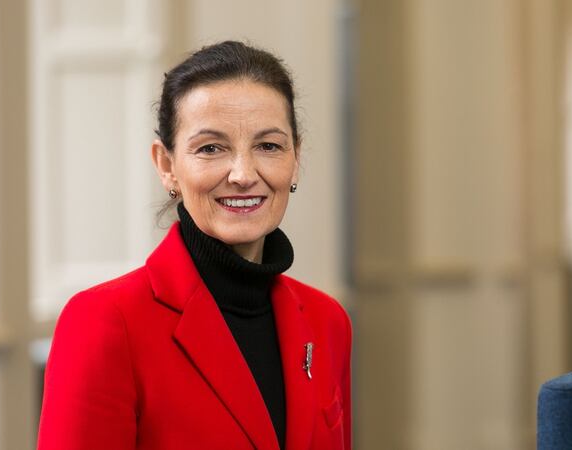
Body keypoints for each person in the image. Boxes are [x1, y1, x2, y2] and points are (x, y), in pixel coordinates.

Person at [36, 41, 352, 450]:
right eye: (211, 148)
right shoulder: (103, 323)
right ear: (167, 167)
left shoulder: (328, 322)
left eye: (268, 146)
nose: (242, 174)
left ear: (296, 157)